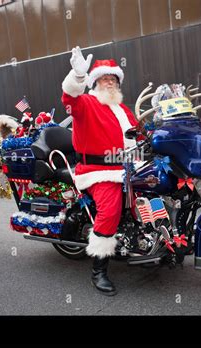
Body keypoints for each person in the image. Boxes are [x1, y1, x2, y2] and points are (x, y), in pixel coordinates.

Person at [61, 46, 138, 296]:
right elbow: (69, 99)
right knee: (111, 208)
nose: (110, 82)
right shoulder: (87, 103)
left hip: (127, 167)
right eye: (105, 78)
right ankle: (99, 270)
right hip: (96, 170)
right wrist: (78, 77)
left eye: (113, 79)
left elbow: (140, 133)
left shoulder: (122, 109)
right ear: (95, 82)